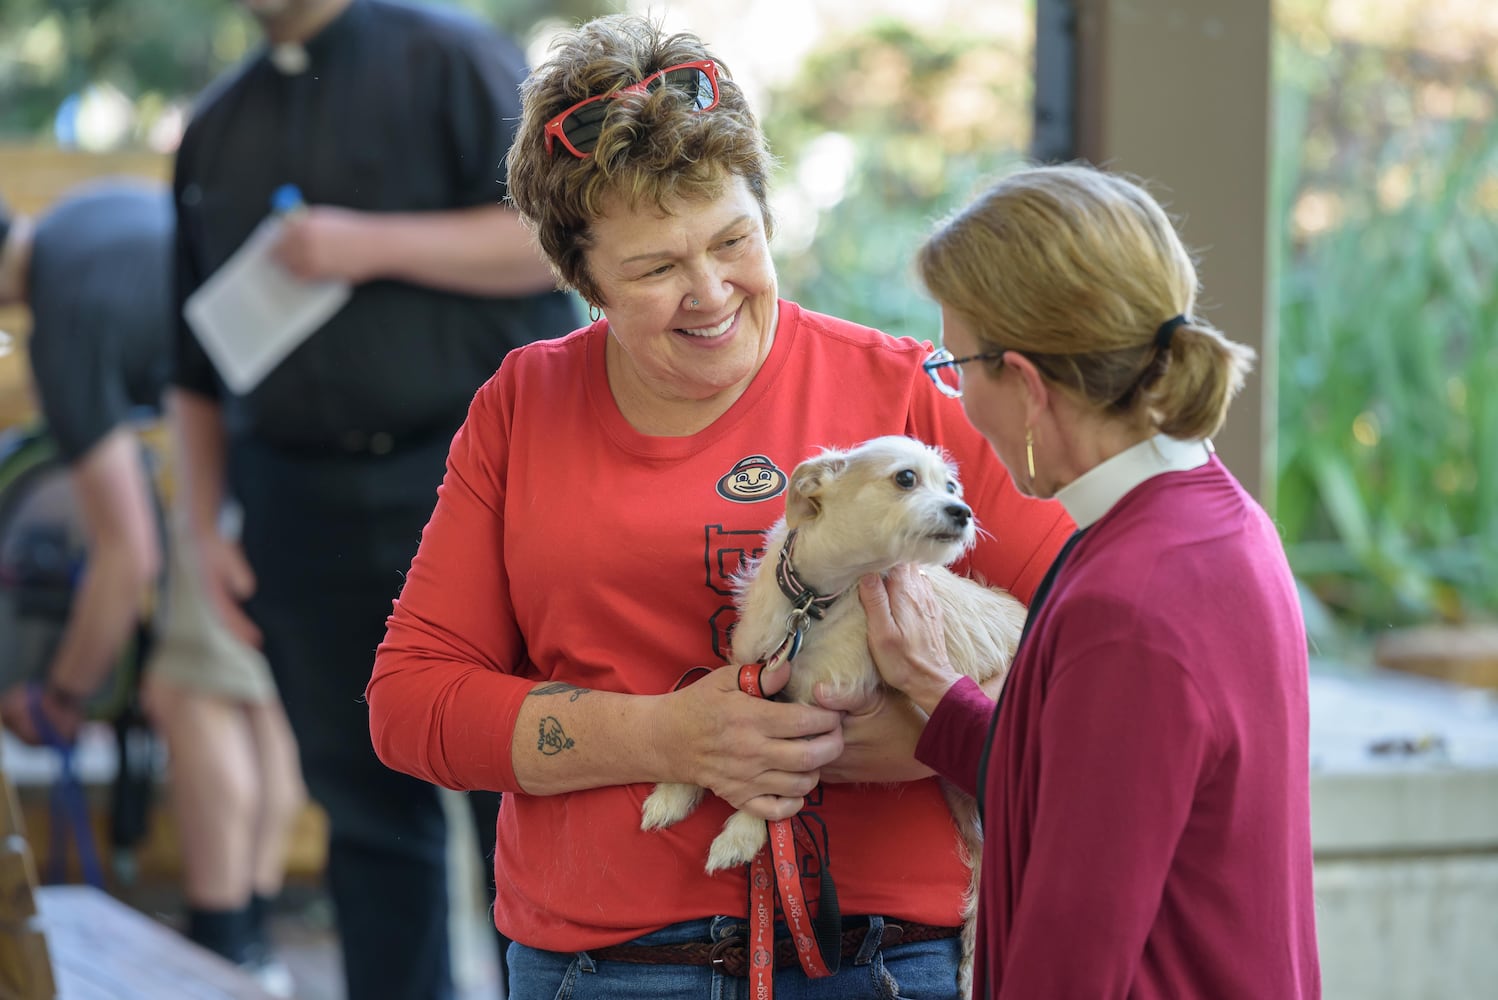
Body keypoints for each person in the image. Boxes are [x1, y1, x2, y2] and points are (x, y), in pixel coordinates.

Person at [365, 14, 1075, 1000]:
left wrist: (910, 736)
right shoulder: (523, 408)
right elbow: (411, 706)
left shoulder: (902, 396)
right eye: (655, 268)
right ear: (585, 280)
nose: (709, 292)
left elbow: (1096, 653)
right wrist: (666, 736)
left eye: (733, 240)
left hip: (869, 957)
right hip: (600, 964)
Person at [168, 1, 580, 997]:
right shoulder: (215, 125)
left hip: (471, 484)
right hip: (293, 506)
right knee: (358, 811)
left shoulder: (449, 56)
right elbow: (193, 367)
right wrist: (202, 528)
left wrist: (369, 243)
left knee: (518, 788)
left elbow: (562, 241)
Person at [857, 163, 1322, 998]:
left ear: (1027, 385)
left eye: (956, 365)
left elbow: (1070, 959)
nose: (956, 396)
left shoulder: (1131, 602)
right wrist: (937, 688)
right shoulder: (1214, 522)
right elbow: (1102, 797)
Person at [0, 180, 305, 994]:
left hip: (236, 453)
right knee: (258, 699)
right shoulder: (82, 216)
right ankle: (254, 939)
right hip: (303, 432)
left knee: (187, 689)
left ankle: (222, 950)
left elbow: (125, 553)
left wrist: (61, 696)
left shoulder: (61, 328)